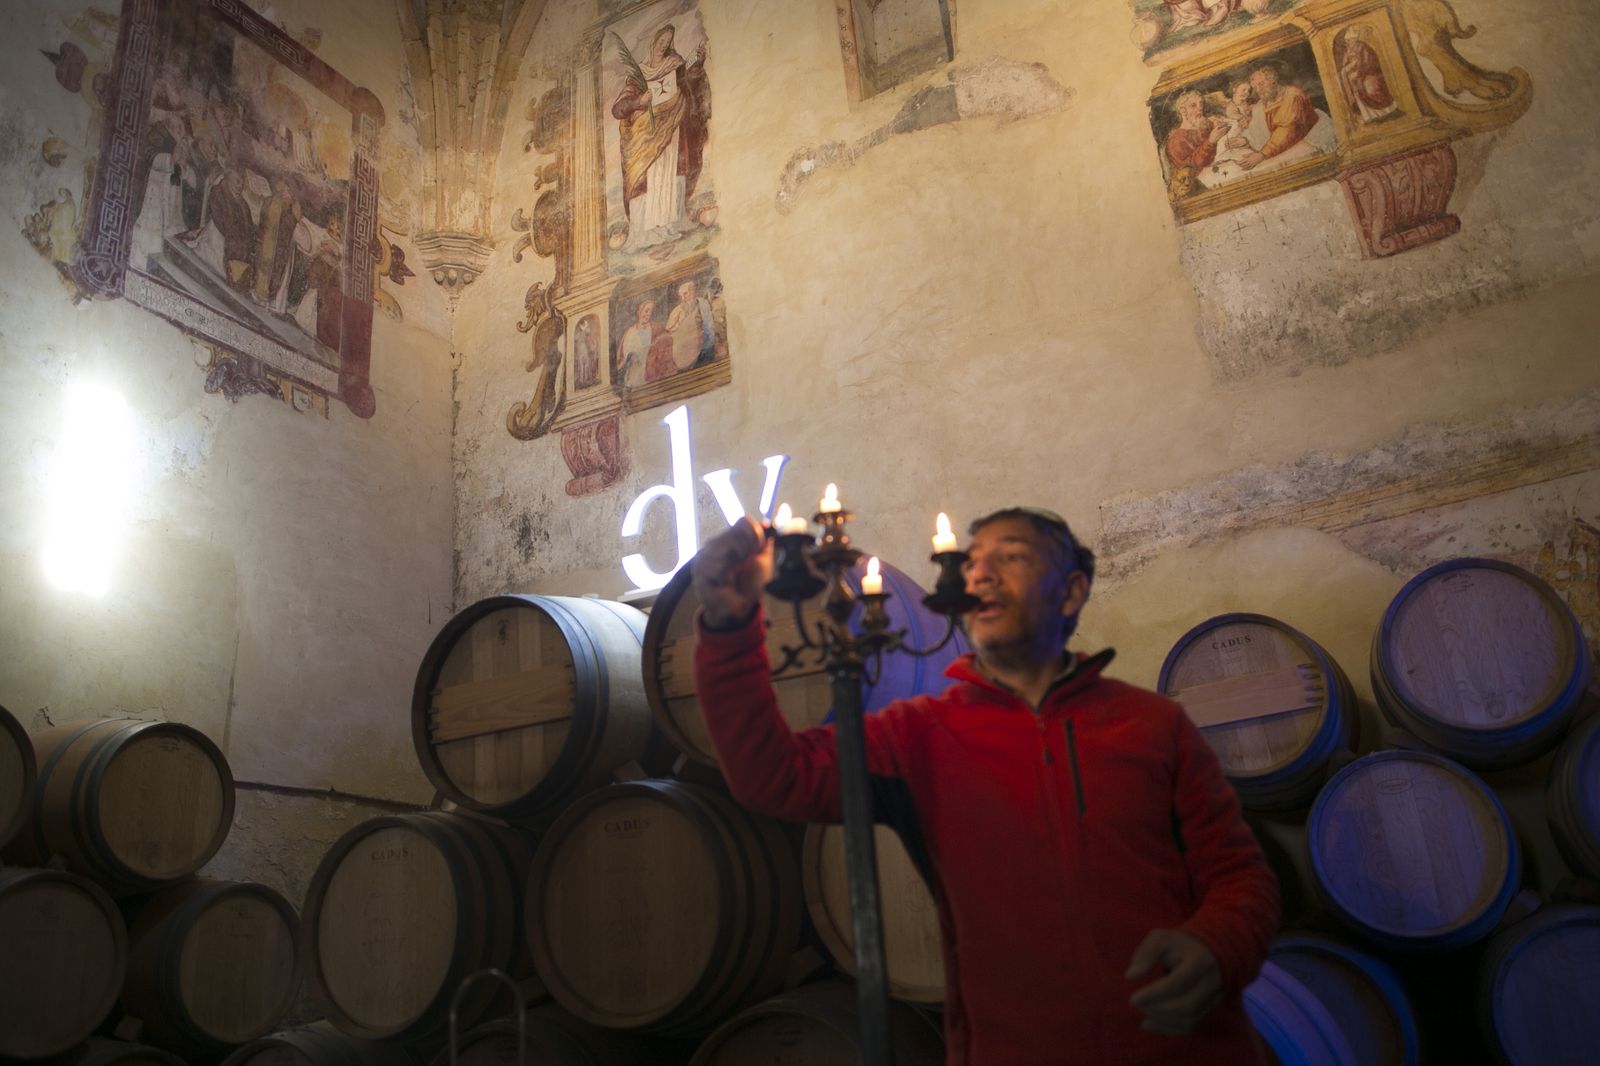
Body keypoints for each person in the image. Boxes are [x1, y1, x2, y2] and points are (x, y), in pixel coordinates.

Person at [692, 507, 1279, 1065]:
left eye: (1013, 557)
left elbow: (1239, 876)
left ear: (1071, 592)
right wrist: (726, 623)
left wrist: (1216, 946)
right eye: (972, 562)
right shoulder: (917, 735)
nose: (981, 573)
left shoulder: (1152, 725)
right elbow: (773, 777)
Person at [610, 23, 711, 249]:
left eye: (667, 43)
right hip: (644, 137)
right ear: (652, 44)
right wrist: (639, 102)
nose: (663, 46)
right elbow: (618, 109)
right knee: (647, 178)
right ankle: (644, 233)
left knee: (670, 171)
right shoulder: (638, 74)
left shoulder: (674, 64)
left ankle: (673, 223)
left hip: (672, 130)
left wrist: (699, 62)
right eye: (661, 42)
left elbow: (689, 83)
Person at [1238, 64, 1335, 171]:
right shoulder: (1262, 104)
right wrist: (1246, 139)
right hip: (1280, 145)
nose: (1259, 90)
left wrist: (1261, 154)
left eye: (1261, 84)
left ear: (1273, 80)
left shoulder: (1293, 96)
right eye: (1255, 87)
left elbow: (1287, 130)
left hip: (1309, 139)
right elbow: (1259, 128)